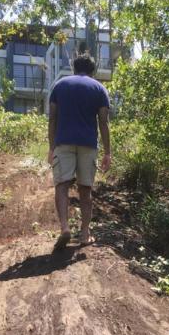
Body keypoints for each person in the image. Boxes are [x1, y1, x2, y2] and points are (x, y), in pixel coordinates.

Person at [47, 54, 111, 250]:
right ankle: (84, 233)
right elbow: (103, 121)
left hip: (63, 143)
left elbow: (52, 119)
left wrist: (51, 147)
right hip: (88, 145)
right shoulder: (99, 89)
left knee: (62, 185)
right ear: (93, 70)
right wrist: (108, 152)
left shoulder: (59, 86)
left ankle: (65, 227)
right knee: (85, 189)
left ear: (74, 68)